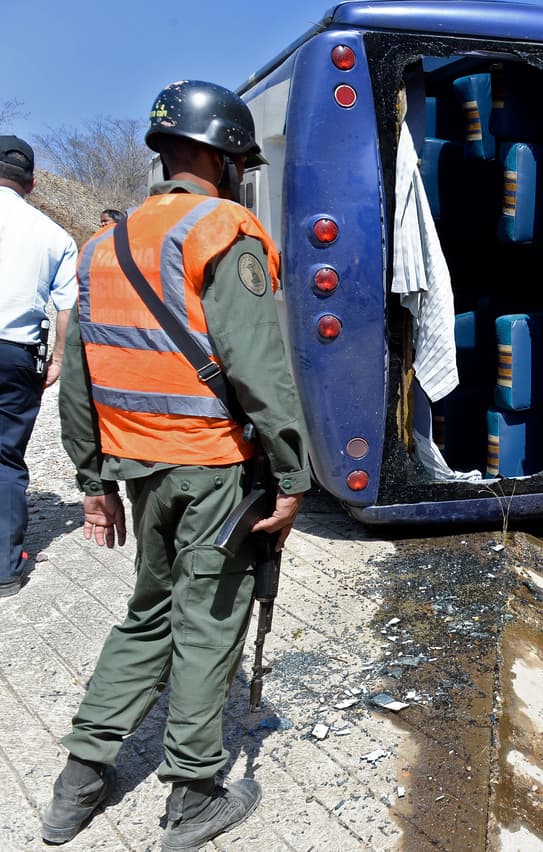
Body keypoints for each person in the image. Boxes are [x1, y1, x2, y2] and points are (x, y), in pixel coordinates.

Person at [41, 80, 311, 850]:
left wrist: (94, 484)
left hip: (141, 471)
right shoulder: (224, 230)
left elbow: (81, 381)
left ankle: (79, 779)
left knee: (149, 612)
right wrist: (292, 478)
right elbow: (258, 368)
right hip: (216, 470)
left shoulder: (105, 246)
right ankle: (192, 798)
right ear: (223, 156)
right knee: (208, 625)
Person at [0, 134, 78, 597]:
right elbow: (68, 307)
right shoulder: (53, 234)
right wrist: (59, 360)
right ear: (30, 184)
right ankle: (5, 567)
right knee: (5, 457)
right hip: (14, 352)